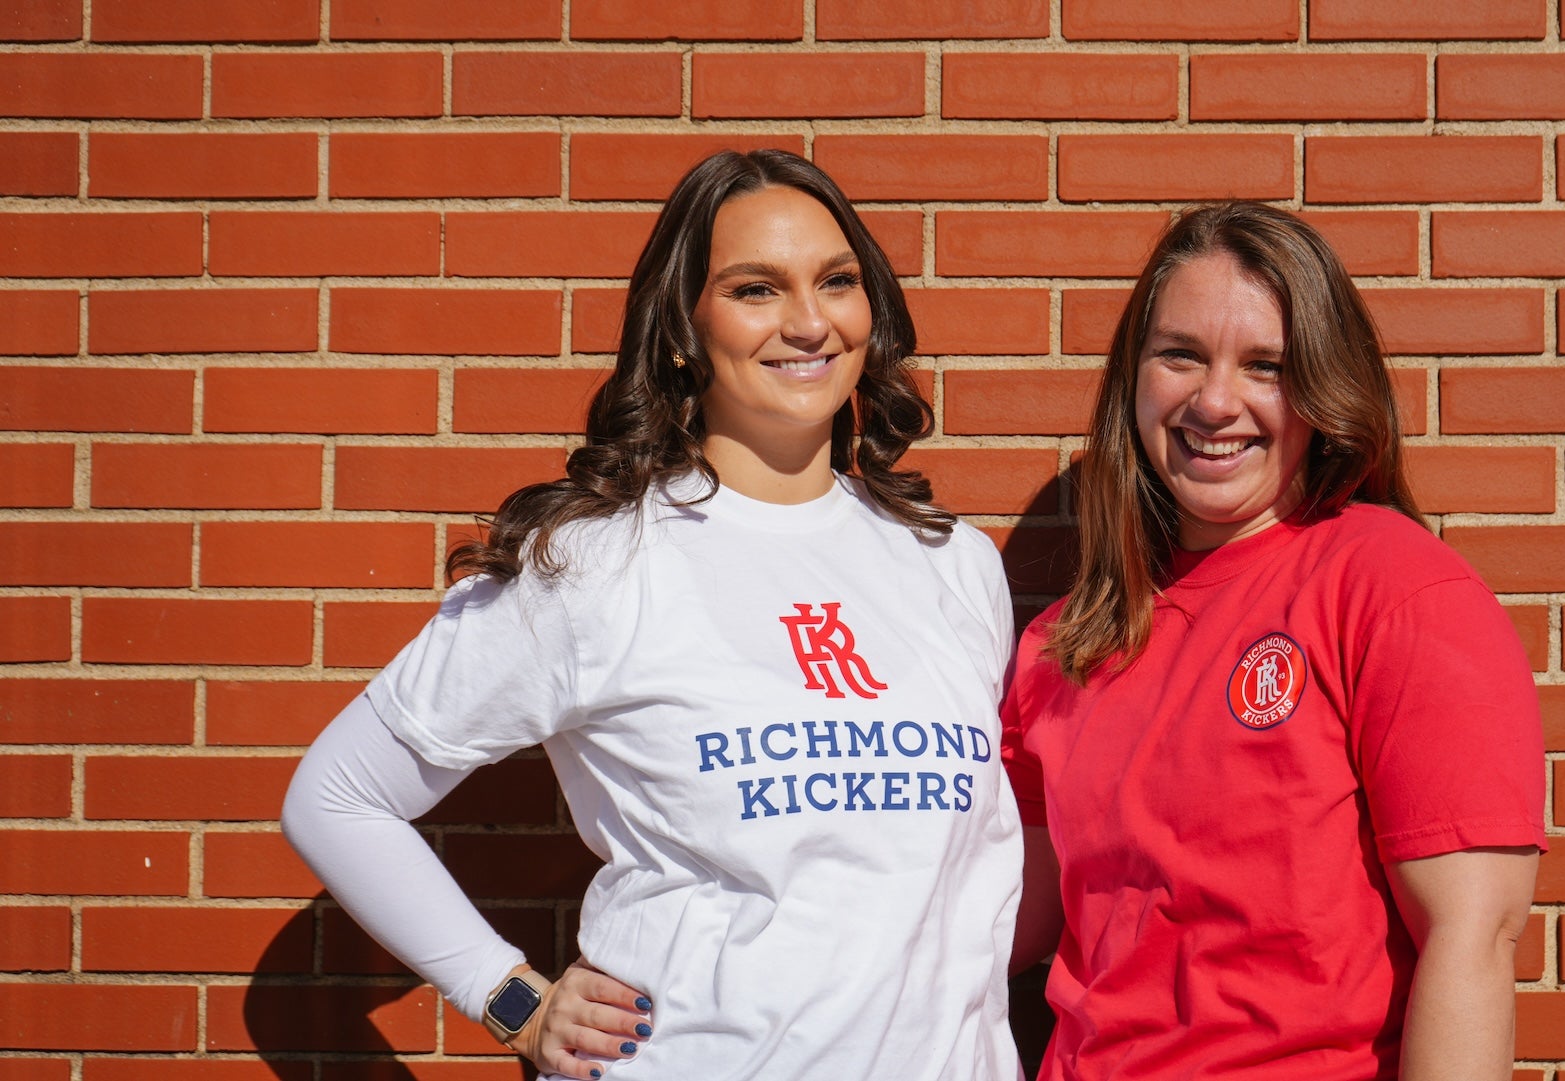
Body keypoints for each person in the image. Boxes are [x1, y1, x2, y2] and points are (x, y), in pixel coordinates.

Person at [282, 149, 1023, 1081]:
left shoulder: (949, 564)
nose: (808, 321)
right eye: (757, 289)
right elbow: (338, 798)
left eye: (836, 281)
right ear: (682, 328)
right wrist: (511, 997)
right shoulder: (597, 561)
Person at [1000, 203, 1546, 1080]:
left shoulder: (1396, 588)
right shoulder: (1061, 644)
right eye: (1180, 354)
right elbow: (990, 921)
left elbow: (1473, 937)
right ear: (1133, 376)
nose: (1216, 402)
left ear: (1327, 389)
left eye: (1268, 367)